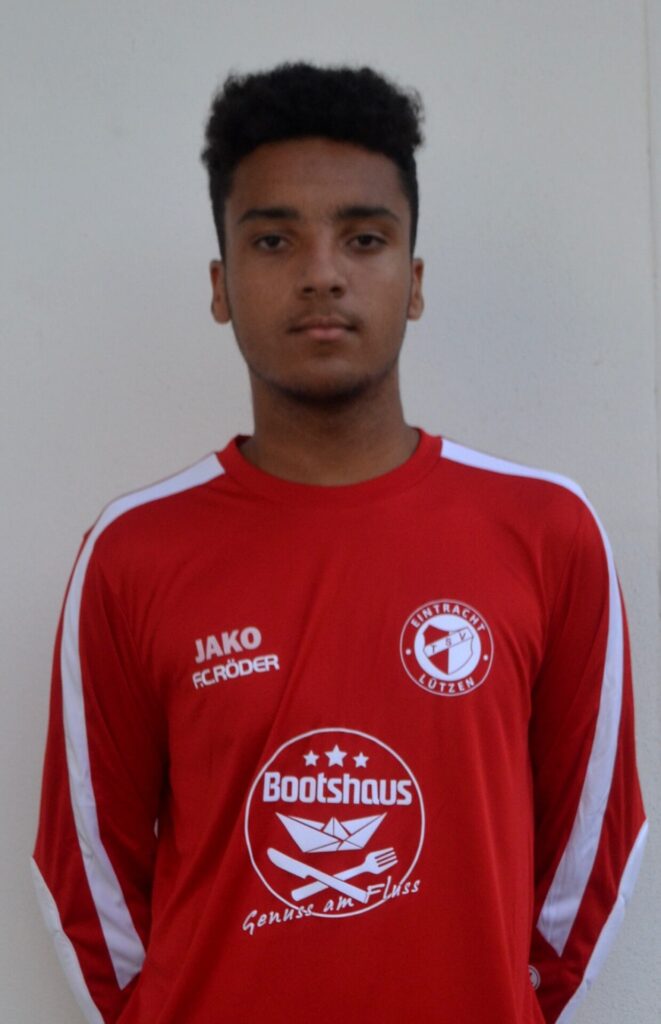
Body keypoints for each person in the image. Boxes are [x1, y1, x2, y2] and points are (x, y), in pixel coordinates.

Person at [33, 62, 647, 1024]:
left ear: (413, 281)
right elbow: (88, 876)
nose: (321, 272)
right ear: (220, 286)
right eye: (273, 239)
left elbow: (590, 851)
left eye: (363, 237)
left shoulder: (545, 531)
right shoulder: (132, 553)